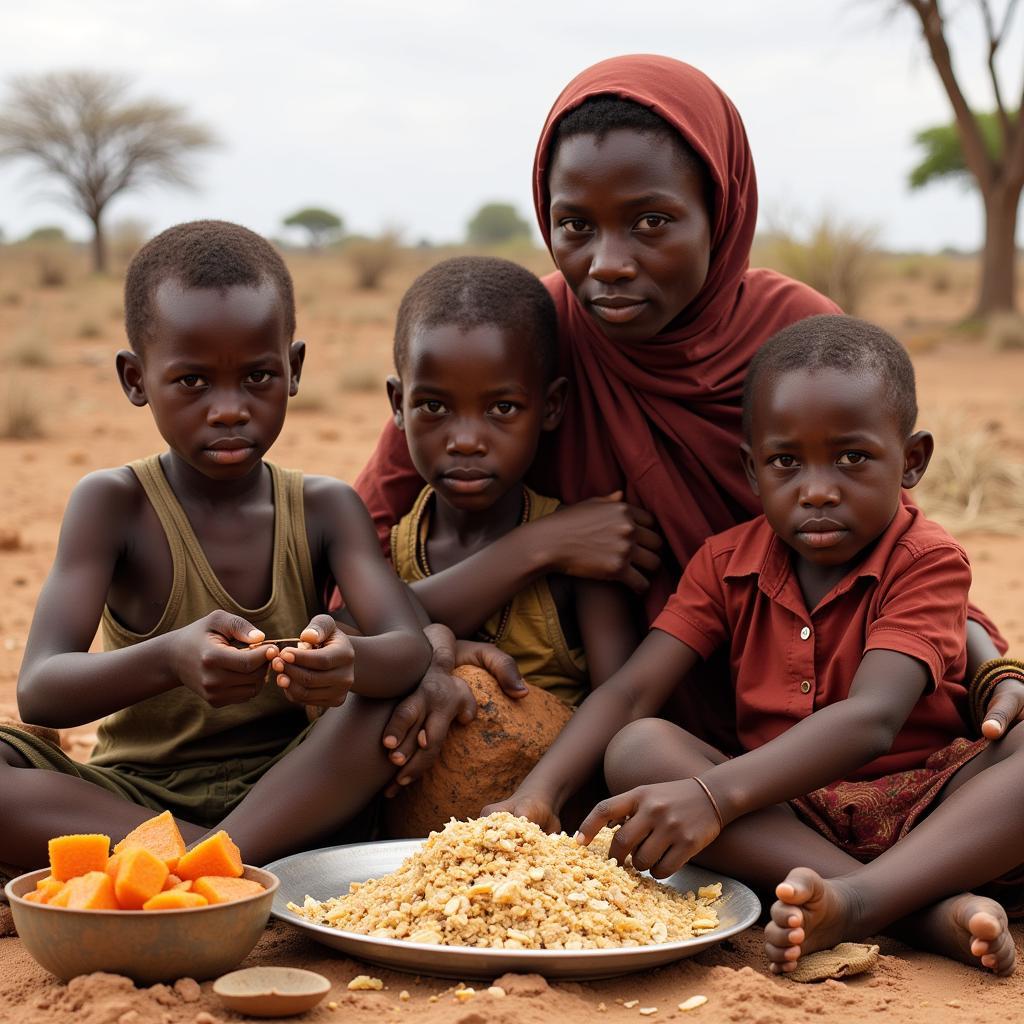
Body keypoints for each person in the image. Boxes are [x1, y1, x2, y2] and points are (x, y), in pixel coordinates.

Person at [353, 54, 1019, 753]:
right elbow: (360, 553)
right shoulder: (526, 341)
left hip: (834, 710)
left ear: (720, 212)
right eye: (575, 226)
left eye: (651, 223)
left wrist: (990, 664)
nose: (607, 262)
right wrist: (451, 627)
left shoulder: (795, 336)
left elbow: (894, 536)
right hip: (605, 720)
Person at [491, 315, 1024, 976]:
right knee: (639, 747)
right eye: (786, 462)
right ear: (751, 468)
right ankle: (916, 909)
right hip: (785, 811)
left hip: (932, 799)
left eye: (853, 457)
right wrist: (539, 792)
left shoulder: (927, 559)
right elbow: (632, 691)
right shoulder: (725, 562)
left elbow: (873, 719)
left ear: (911, 460)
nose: (819, 488)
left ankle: (862, 902)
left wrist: (713, 798)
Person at [0, 220, 436, 873]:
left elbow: (408, 648)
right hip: (134, 800)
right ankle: (223, 866)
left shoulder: (324, 508)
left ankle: (189, 871)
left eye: (257, 377)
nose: (229, 408)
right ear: (134, 378)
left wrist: (346, 664)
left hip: (290, 788)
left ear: (293, 370)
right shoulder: (114, 504)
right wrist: (169, 658)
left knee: (393, 702)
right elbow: (40, 689)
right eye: (194, 382)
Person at [386, 255, 637, 707]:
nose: (465, 442)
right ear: (398, 404)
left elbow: (619, 707)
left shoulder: (584, 561)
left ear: (552, 406)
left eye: (501, 408)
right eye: (434, 407)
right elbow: (350, 633)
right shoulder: (394, 541)